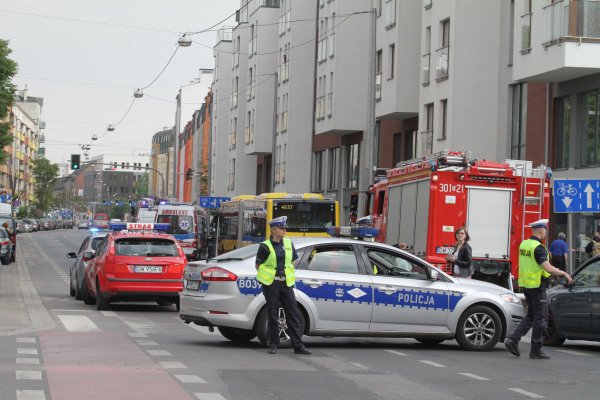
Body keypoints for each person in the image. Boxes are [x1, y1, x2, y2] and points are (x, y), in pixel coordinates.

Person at [505, 219, 573, 360]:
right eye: (546, 230)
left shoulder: (525, 244)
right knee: (541, 319)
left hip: (526, 285)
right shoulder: (538, 247)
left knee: (531, 315)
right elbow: (547, 267)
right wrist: (564, 273)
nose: (545, 233)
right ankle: (536, 350)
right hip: (537, 286)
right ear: (542, 230)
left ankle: (513, 339)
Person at [255, 216, 311, 355]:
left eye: (285, 227)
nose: (284, 230)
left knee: (293, 314)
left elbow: (291, 262)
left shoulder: (288, 243)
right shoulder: (265, 246)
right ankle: (273, 343)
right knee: (273, 314)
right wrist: (269, 278)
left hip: (286, 283)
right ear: (274, 230)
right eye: (281, 228)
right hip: (271, 283)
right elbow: (258, 265)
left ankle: (298, 345)